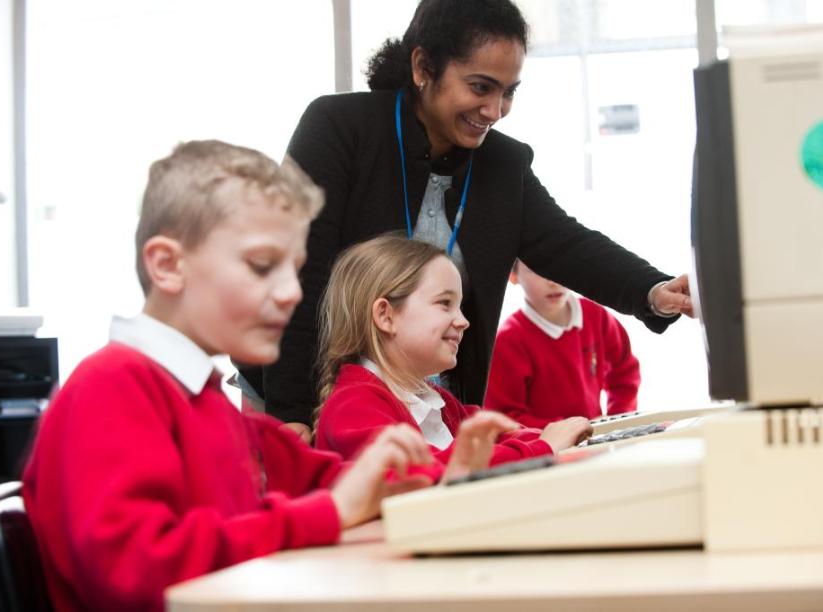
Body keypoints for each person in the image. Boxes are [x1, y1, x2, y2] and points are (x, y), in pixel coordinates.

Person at [21, 141, 516, 612]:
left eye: (293, 272)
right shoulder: (111, 387)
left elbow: (323, 478)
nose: (289, 294)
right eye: (262, 267)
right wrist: (330, 513)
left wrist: (440, 481)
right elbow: (137, 569)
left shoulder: (208, 402)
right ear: (168, 265)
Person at [240, 0, 692, 437]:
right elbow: (294, 270)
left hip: (426, 403)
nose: (495, 111)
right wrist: (291, 413)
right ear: (423, 68)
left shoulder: (502, 163)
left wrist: (652, 290)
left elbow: (565, 243)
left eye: (508, 92)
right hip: (312, 395)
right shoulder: (338, 128)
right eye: (480, 87)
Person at [314, 234, 592, 462]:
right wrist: (542, 447)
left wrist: (555, 437)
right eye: (445, 303)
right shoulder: (354, 407)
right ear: (386, 316)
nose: (463, 321)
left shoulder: (437, 402)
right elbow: (428, 472)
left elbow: (499, 435)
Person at [485, 260, 640, 429]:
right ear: (512, 275)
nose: (553, 280)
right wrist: (566, 431)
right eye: (538, 269)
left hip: (595, 441)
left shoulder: (596, 316)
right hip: (546, 449)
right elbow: (504, 419)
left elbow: (625, 372)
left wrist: (617, 421)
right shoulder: (508, 341)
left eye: (559, 262)